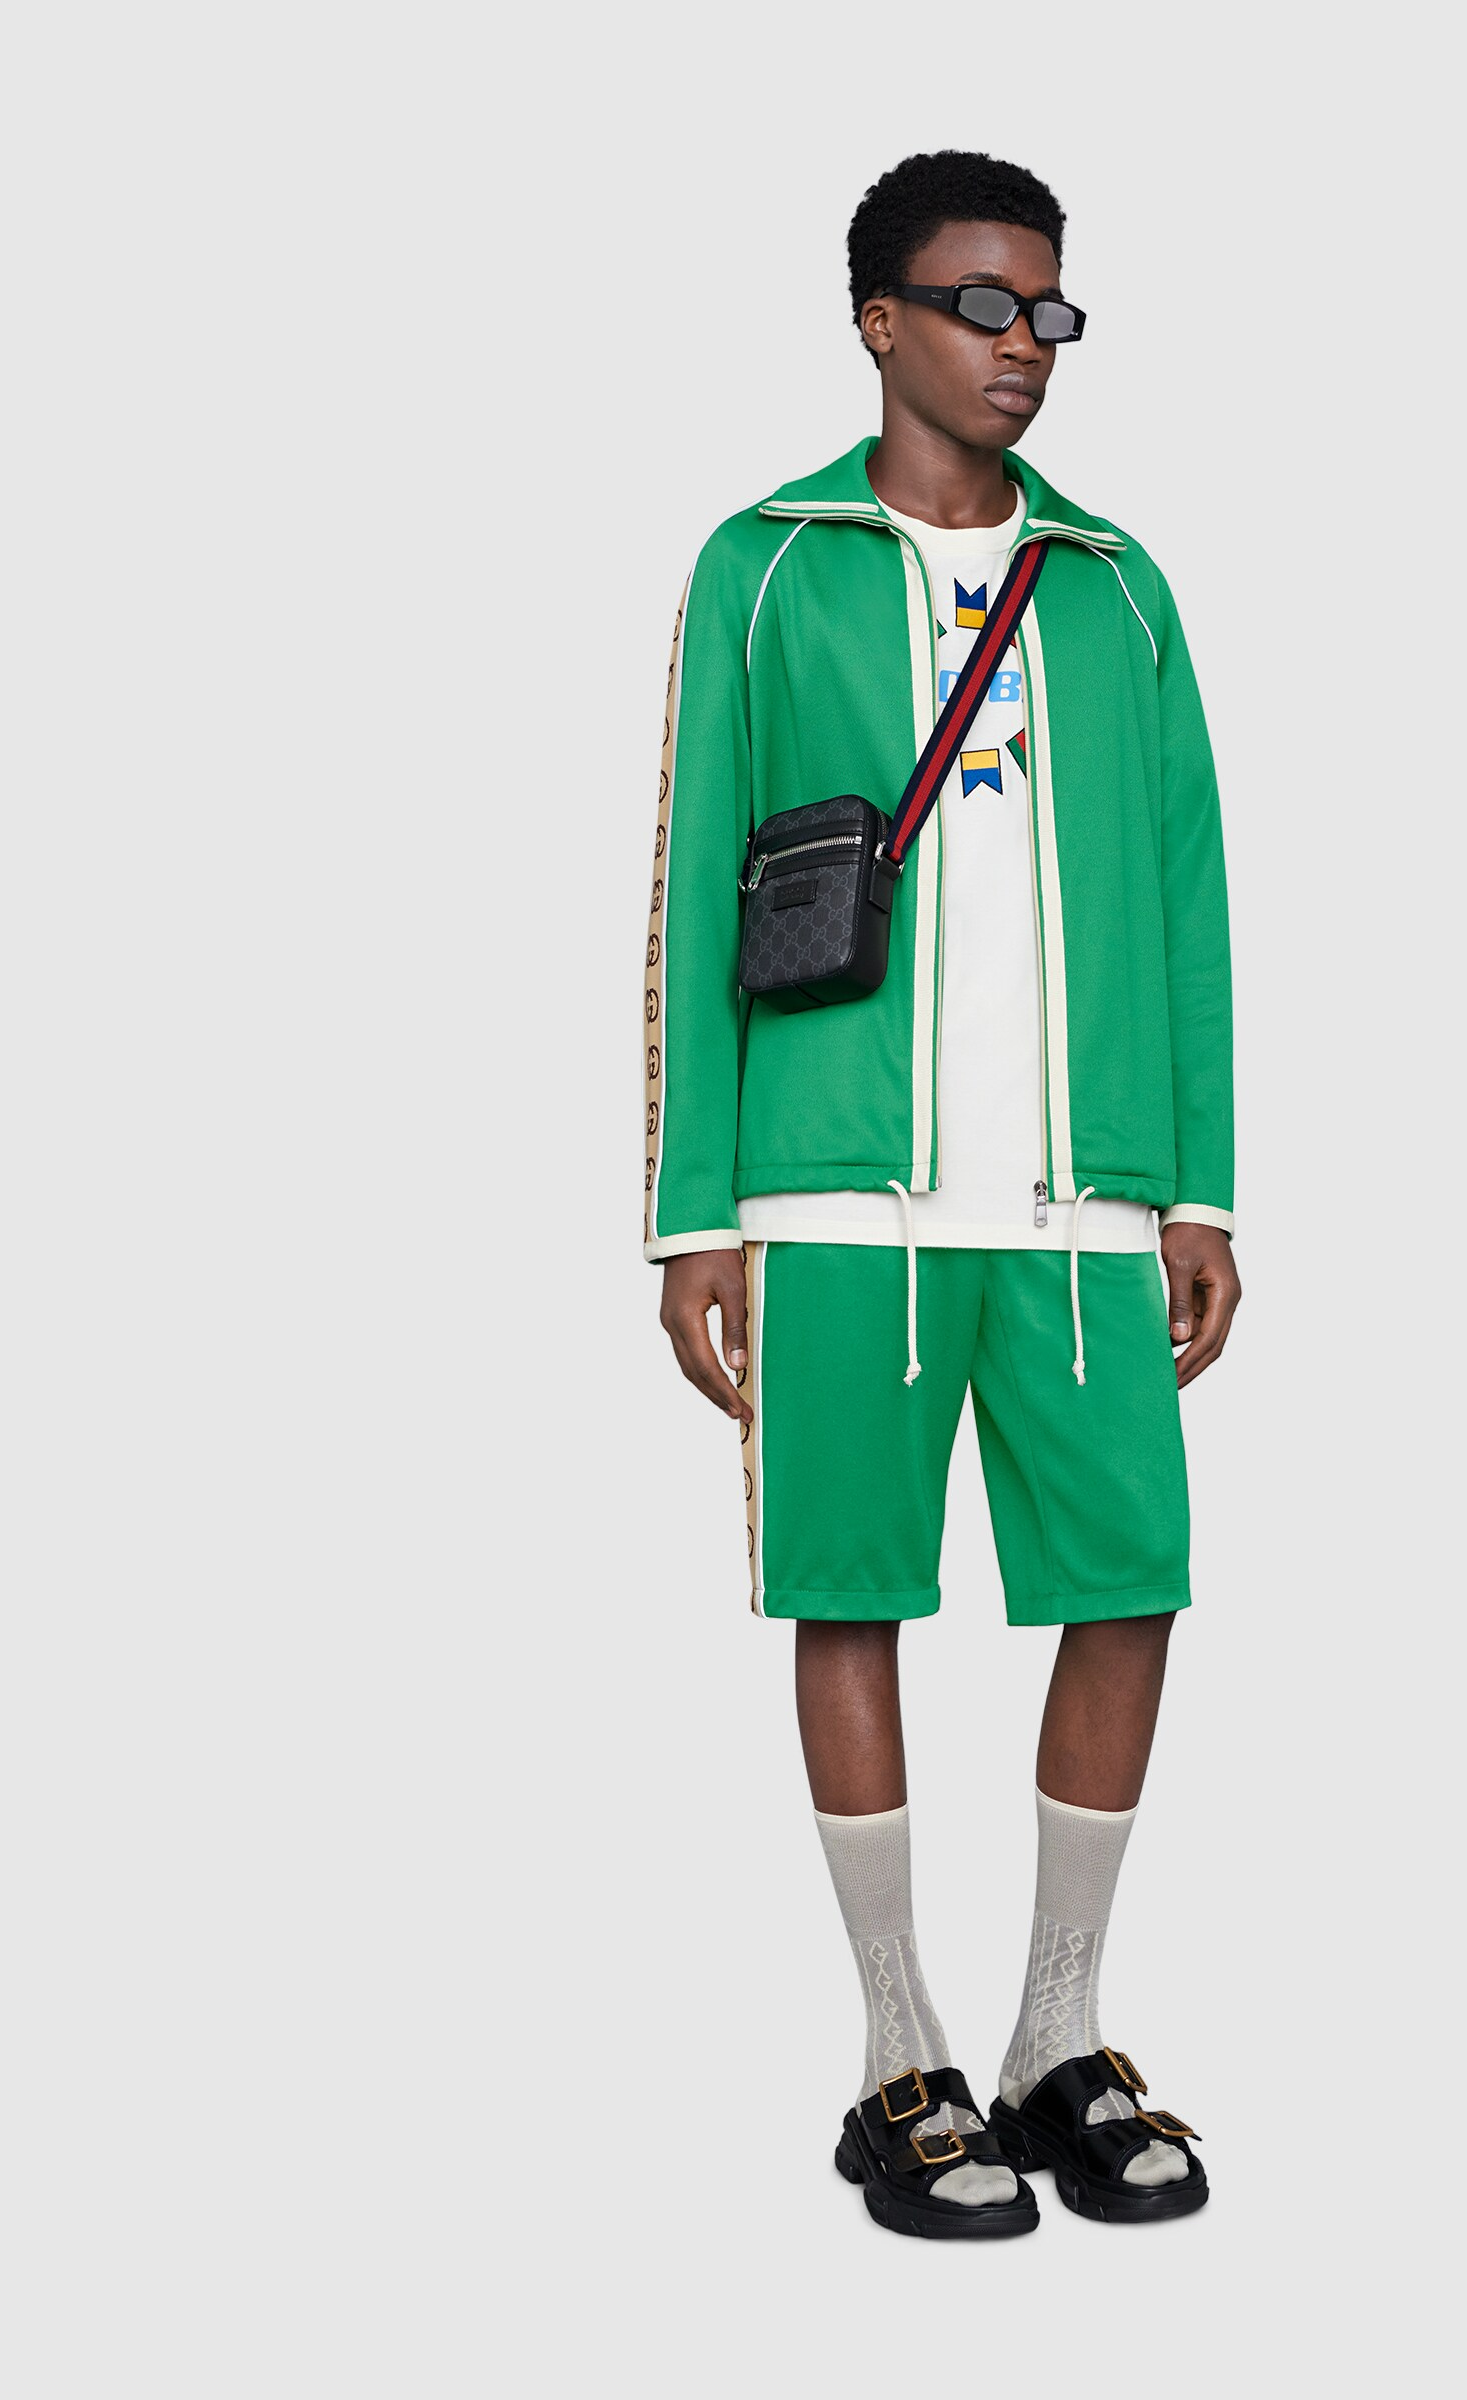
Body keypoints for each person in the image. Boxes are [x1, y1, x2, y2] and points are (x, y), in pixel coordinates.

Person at [642, 150, 1238, 2238]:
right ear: (879, 319)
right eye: (982, 304)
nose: (1022, 344)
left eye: (1049, 309)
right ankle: (898, 2052)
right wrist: (694, 1212)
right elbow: (698, 875)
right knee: (852, 1592)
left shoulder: (1119, 587)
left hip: (1085, 1202)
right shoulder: (767, 566)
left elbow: (1185, 896)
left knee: (1129, 1582)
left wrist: (1197, 1190)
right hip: (831, 1202)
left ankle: (1059, 2033)